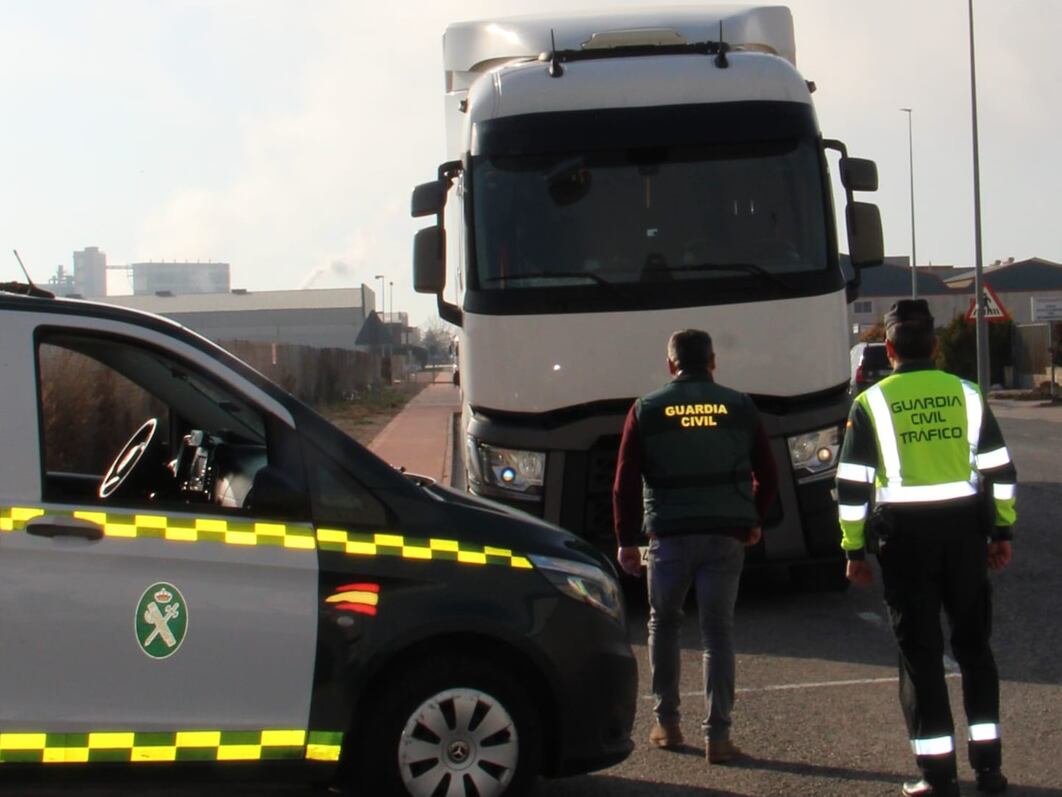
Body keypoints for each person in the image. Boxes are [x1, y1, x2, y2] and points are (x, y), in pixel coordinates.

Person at [836, 300, 1017, 797]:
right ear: (936, 347)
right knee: (975, 648)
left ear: (889, 348)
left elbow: (852, 485)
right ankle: (989, 770)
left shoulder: (871, 402)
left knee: (920, 655)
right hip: (965, 536)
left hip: (906, 542)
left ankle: (938, 779)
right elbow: (1000, 472)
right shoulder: (967, 394)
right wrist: (1001, 533)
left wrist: (853, 550)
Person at [613, 329, 778, 764]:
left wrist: (626, 541)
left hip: (668, 535)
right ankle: (718, 737)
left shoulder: (645, 408)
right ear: (713, 361)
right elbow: (769, 472)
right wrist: (753, 520)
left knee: (663, 625)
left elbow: (625, 483)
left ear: (671, 365)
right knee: (717, 632)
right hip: (726, 535)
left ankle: (667, 724)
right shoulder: (740, 406)